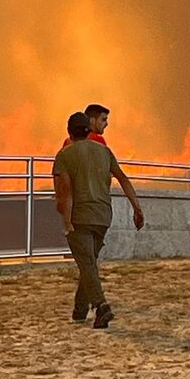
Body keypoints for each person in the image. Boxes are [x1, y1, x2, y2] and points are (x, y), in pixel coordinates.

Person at [53, 111, 145, 328]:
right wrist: (137, 208)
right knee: (89, 264)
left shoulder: (64, 155)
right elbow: (123, 178)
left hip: (80, 218)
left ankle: (101, 306)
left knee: (86, 264)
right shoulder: (104, 152)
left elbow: (65, 193)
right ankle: (79, 310)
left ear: (69, 132)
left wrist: (66, 222)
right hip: (103, 216)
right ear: (88, 130)